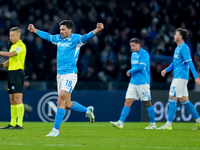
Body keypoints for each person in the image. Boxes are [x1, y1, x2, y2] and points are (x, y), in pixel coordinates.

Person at [28, 20, 104, 137]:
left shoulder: (76, 39)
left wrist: (97, 30)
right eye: (60, 30)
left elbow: (86, 37)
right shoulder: (58, 38)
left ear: (70, 30)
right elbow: (47, 36)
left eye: (63, 30)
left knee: (61, 99)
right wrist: (34, 30)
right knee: (66, 103)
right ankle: (87, 111)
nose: (61, 32)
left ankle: (55, 130)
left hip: (70, 74)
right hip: (59, 75)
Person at [157, 28, 200, 130]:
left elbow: (190, 62)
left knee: (172, 98)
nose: (174, 36)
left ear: (180, 37)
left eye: (175, 34)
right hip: (179, 77)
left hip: (180, 77)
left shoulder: (184, 48)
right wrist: (166, 70)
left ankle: (168, 125)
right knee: (185, 101)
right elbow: (175, 63)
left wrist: (196, 77)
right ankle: (199, 122)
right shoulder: (177, 48)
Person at [110, 38, 156, 129]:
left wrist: (130, 71)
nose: (132, 47)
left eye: (133, 46)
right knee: (128, 101)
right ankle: (120, 122)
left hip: (143, 82)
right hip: (133, 82)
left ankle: (153, 124)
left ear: (139, 44)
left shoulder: (144, 54)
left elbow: (142, 66)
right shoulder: (133, 54)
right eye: (131, 46)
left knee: (147, 102)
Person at [0, 27, 26, 129]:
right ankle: (12, 123)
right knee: (12, 99)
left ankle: (19, 123)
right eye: (10, 35)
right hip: (11, 73)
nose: (10, 37)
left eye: (12, 35)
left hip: (17, 74)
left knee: (18, 98)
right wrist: (1, 66)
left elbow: (11, 55)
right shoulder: (13, 46)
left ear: (18, 36)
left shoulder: (21, 46)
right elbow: (10, 60)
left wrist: (0, 52)